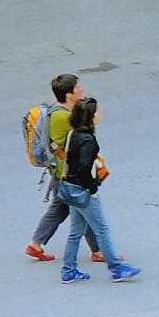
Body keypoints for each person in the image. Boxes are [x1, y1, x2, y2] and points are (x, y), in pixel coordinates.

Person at [55, 97, 138, 283]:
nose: (100, 114)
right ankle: (117, 268)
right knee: (102, 229)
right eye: (97, 112)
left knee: (75, 232)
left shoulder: (73, 134)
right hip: (83, 191)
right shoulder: (88, 140)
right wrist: (92, 187)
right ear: (91, 117)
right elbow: (84, 168)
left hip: (71, 188)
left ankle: (68, 270)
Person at [25, 73, 102, 265]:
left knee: (61, 209)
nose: (82, 89)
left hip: (62, 171)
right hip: (68, 173)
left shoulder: (60, 112)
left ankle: (36, 244)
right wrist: (93, 121)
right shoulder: (64, 116)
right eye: (78, 87)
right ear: (69, 94)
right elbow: (85, 137)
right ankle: (98, 250)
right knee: (84, 207)